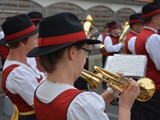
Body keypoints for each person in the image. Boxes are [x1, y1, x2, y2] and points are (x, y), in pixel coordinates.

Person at [27, 12, 140, 120]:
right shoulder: (81, 103)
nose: (85, 57)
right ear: (72, 52)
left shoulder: (41, 88)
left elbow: (87, 109)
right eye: (86, 51)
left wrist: (112, 91)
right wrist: (125, 107)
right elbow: (84, 108)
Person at [0, 14, 45, 120]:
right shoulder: (17, 73)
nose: (37, 42)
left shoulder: (23, 63)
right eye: (34, 38)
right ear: (21, 43)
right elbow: (43, 105)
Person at [133, 1, 160, 120]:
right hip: (156, 86)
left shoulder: (141, 34)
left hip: (148, 84)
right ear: (155, 18)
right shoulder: (153, 37)